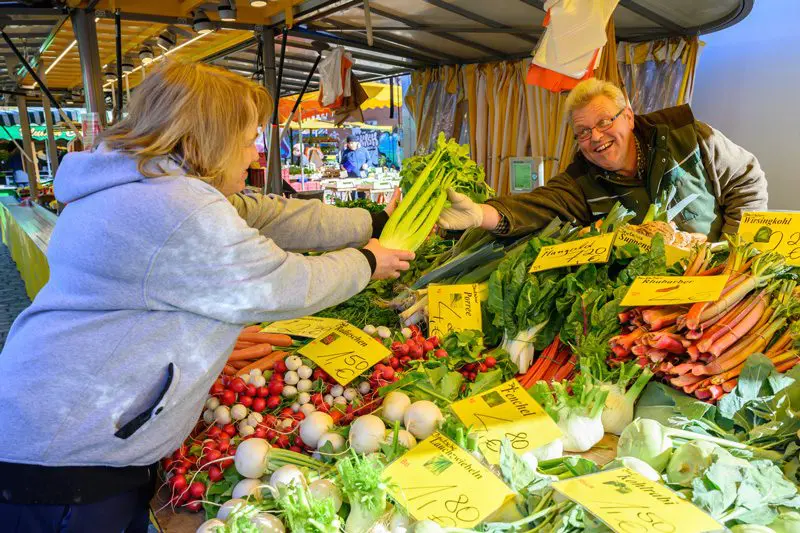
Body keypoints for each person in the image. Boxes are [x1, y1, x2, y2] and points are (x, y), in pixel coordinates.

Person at [0, 61, 414, 532]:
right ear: (208, 138)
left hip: (59, 428)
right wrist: (366, 262)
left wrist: (371, 223)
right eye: (247, 138)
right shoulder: (172, 206)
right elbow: (278, 285)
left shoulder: (146, 184)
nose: (255, 154)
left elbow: (269, 215)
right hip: (67, 455)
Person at [439, 78, 768, 242]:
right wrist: (480, 214)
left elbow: (746, 178)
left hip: (722, 281)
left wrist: (731, 250)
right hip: (648, 305)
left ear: (628, 116)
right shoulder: (581, 180)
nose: (595, 137)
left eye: (604, 122)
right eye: (582, 132)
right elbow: (537, 207)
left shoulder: (688, 135)